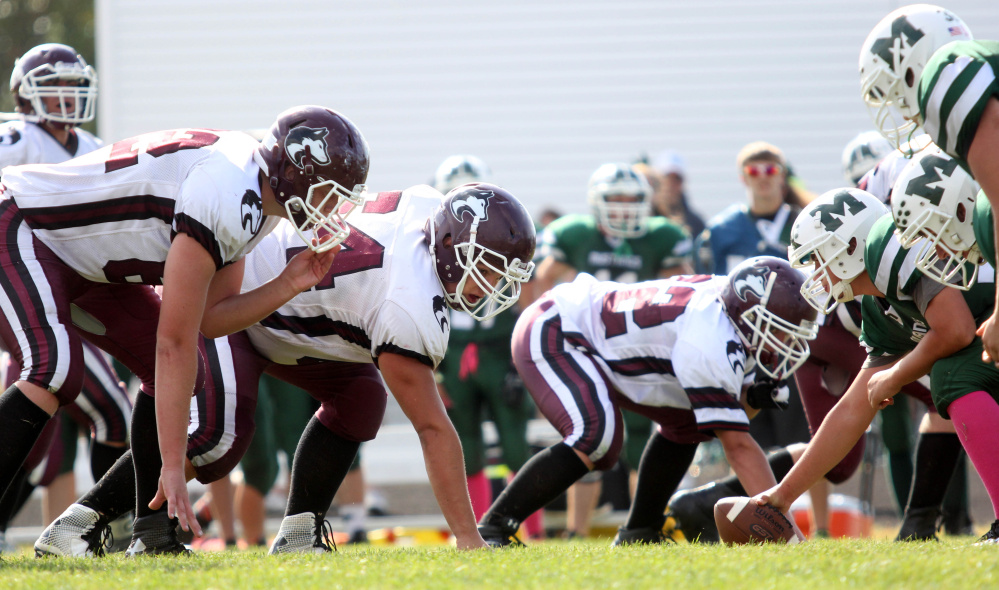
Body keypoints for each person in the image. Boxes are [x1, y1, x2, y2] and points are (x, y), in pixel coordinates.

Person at [36, 182, 537, 555]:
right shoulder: (410, 305)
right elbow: (432, 428)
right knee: (218, 436)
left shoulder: (430, 211)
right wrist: (470, 539)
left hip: (292, 314)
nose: (494, 286)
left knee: (361, 398)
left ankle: (299, 532)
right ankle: (81, 522)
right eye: (488, 267)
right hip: (235, 303)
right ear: (452, 247)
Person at [0, 103, 367, 555]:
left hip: (86, 260)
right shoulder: (229, 195)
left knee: (183, 373)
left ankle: (151, 536)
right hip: (24, 223)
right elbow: (172, 342)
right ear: (294, 173)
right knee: (54, 369)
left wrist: (289, 283)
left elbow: (212, 319)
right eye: (329, 192)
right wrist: (172, 464)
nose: (334, 208)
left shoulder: (257, 198)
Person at [475, 256, 818, 547]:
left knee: (691, 423)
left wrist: (750, 394)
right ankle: (495, 526)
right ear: (751, 316)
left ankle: (640, 530)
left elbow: (730, 419)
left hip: (597, 337)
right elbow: (738, 445)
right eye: (782, 328)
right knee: (597, 438)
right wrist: (785, 534)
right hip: (557, 328)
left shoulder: (728, 308)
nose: (787, 340)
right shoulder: (709, 340)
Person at [753, 181, 999, 545]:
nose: (816, 273)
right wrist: (782, 496)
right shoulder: (877, 307)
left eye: (819, 257)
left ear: (850, 246)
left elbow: (957, 330)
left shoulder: (893, 247)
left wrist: (896, 374)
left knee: (951, 375)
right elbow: (853, 409)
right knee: (950, 373)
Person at [0, 43, 133, 550]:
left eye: (74, 86)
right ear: (28, 94)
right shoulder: (19, 138)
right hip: (25, 282)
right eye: (55, 87)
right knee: (108, 412)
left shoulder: (92, 144)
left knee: (38, 434)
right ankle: (105, 528)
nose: (67, 97)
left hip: (72, 293)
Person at [528, 162, 692, 538]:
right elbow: (543, 278)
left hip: (641, 348)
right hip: (588, 350)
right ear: (596, 202)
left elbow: (684, 286)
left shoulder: (661, 236)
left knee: (641, 442)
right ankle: (576, 529)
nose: (622, 207)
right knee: (588, 435)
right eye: (614, 199)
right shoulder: (576, 233)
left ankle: (644, 524)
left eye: (631, 199)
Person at [430, 156, 539, 538]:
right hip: (452, 353)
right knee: (467, 450)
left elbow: (530, 295)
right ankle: (476, 529)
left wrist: (524, 356)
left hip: (499, 351)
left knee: (515, 445)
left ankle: (531, 530)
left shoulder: (509, 232)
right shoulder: (429, 239)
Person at [643, 150, 705, 238]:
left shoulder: (696, 223)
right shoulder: (644, 219)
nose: (671, 184)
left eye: (677, 179)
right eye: (666, 178)